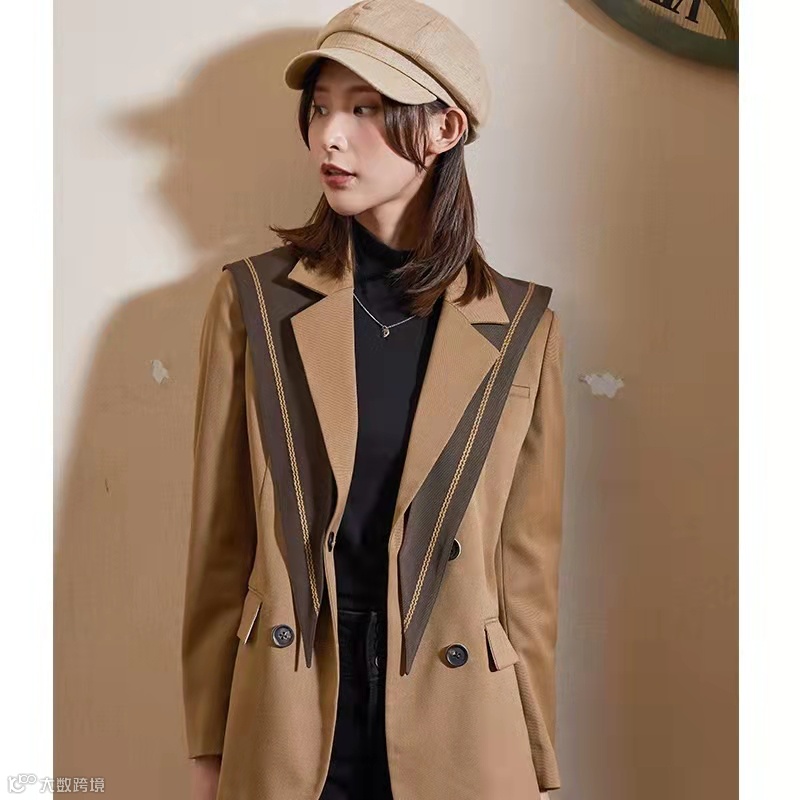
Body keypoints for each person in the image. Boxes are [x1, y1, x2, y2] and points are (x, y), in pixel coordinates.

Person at [182, 2, 566, 799]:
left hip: (463, 721)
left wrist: (536, 760)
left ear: (445, 128)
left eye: (364, 109)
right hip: (290, 709)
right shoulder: (255, 303)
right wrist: (209, 747)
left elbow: (524, 569)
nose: (330, 135)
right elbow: (221, 543)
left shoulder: (522, 326)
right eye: (321, 107)